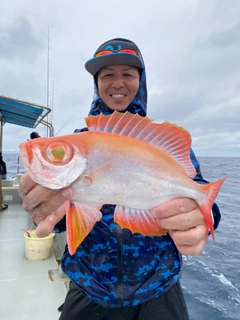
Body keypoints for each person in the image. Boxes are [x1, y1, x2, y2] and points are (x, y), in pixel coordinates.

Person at [18, 38, 221, 320]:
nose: (117, 83)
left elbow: (199, 191)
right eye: (107, 75)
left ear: (141, 80)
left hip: (159, 288)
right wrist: (43, 209)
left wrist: (202, 216)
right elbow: (64, 216)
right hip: (90, 287)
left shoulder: (159, 143)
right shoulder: (79, 140)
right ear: (96, 83)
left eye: (127, 74)